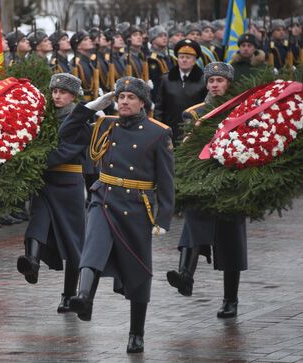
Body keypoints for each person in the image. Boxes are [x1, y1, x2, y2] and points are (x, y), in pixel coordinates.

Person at [59, 77, 174, 353]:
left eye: (130, 97)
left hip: (136, 205)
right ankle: (84, 297)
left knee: (138, 269)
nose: (123, 101)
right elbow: (67, 133)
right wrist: (88, 108)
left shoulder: (158, 132)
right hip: (105, 196)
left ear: (142, 103)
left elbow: (167, 179)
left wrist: (163, 218)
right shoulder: (105, 124)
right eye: (120, 97)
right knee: (93, 246)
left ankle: (137, 332)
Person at [166, 62, 246, 319]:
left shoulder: (242, 111)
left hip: (230, 182)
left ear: (229, 83)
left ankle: (230, 300)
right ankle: (185, 276)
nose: (214, 85)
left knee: (230, 240)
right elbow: (186, 150)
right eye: (211, 81)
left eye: (220, 81)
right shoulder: (195, 113)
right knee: (194, 223)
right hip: (201, 180)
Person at [17, 73, 86, 313]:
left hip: (68, 183)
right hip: (45, 181)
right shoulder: (43, 117)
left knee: (72, 241)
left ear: (73, 96)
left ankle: (68, 295)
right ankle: (32, 263)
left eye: (62, 92)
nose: (57, 96)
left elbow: (66, 151)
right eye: (54, 91)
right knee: (37, 221)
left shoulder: (81, 121)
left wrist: (31, 160)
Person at [154, 39, 207, 145]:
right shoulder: (167, 79)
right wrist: (158, 129)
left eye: (188, 57)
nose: (184, 60)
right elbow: (159, 108)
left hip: (194, 131)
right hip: (170, 131)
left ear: (194, 60)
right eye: (181, 57)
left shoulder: (203, 80)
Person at [70, 30, 98, 101]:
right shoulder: (76, 64)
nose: (90, 40)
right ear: (78, 46)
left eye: (89, 38)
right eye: (86, 39)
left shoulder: (88, 62)